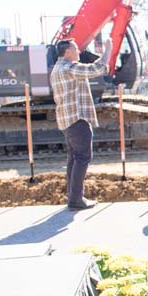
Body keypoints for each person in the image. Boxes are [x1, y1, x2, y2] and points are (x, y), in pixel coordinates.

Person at [50, 38, 112, 211]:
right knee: (83, 157)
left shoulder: (58, 69)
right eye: (76, 48)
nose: (79, 51)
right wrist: (108, 50)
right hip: (77, 120)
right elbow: (95, 69)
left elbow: (90, 72)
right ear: (67, 51)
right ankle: (76, 199)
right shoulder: (69, 67)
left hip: (67, 121)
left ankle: (73, 197)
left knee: (73, 159)